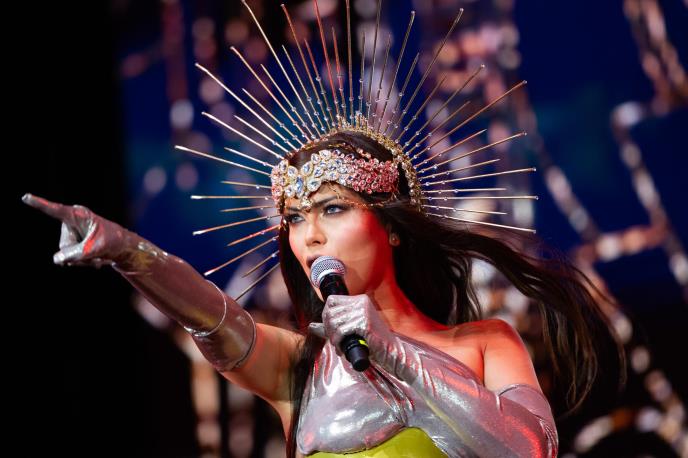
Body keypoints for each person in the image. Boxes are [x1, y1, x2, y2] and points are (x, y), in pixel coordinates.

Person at [22, 128, 626, 458]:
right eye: (294, 218)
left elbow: (530, 450)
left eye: (333, 209)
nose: (309, 236)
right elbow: (212, 318)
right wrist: (128, 252)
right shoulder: (300, 367)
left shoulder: (486, 343)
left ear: (391, 225)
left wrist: (396, 354)